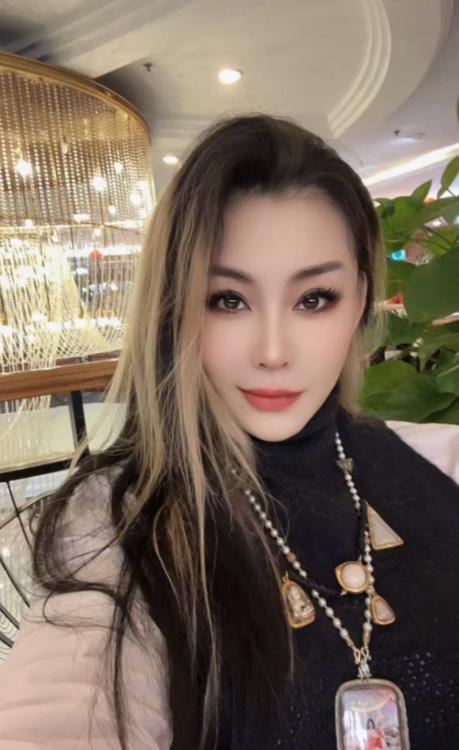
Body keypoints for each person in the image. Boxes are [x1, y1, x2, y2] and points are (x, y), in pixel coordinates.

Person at [0, 114, 458, 750]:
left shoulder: (441, 459)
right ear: (175, 309)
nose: (273, 353)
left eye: (315, 298)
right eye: (228, 300)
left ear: (359, 300)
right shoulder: (116, 523)